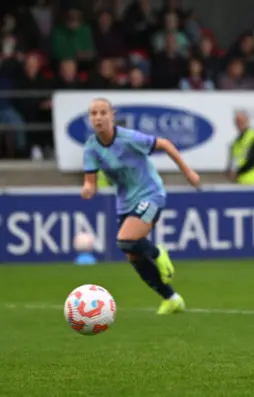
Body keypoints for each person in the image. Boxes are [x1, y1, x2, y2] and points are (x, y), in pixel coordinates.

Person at [81, 98, 201, 314]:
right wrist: (88, 189)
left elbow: (164, 143)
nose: (98, 118)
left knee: (126, 239)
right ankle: (172, 298)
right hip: (125, 202)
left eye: (102, 112)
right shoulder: (91, 148)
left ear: (112, 115)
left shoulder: (128, 138)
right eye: (93, 114)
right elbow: (90, 181)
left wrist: (188, 172)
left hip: (150, 194)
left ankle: (157, 252)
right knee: (131, 253)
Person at [226, 111, 254, 185]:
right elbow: (233, 160)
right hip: (240, 181)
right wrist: (229, 172)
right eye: (237, 122)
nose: (239, 124)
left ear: (247, 121)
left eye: (241, 121)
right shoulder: (236, 142)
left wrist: (238, 172)